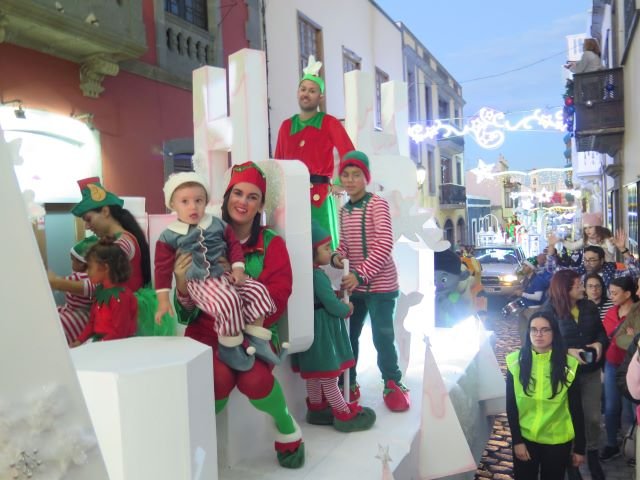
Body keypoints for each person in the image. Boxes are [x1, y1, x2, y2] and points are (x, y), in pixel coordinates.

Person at [173, 162, 304, 469]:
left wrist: (238, 308)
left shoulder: (272, 244)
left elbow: (279, 296)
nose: (243, 202)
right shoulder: (200, 237)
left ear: (260, 205)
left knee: (256, 380)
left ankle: (286, 428)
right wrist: (181, 283)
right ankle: (195, 447)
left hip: (253, 333)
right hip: (207, 333)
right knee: (216, 378)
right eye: (238, 193)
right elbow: (187, 310)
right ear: (227, 196)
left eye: (252, 196)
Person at [154, 172, 278, 371]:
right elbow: (161, 268)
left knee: (257, 291)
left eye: (198, 200)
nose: (193, 207)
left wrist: (238, 269)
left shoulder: (217, 224)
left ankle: (257, 339)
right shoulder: (169, 235)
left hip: (224, 276)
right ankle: (231, 347)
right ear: (173, 205)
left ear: (206, 202)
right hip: (199, 281)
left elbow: (233, 245)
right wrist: (162, 300)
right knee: (227, 301)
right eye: (184, 202)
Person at [330, 150, 410, 412]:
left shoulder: (377, 204)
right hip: (355, 288)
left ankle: (392, 382)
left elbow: (384, 242)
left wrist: (360, 274)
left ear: (366, 178)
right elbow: (344, 245)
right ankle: (349, 382)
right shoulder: (343, 211)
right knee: (349, 336)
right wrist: (336, 256)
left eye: (356, 175)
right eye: (346, 175)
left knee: (382, 337)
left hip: (381, 286)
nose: (350, 180)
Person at [49, 177, 174, 337]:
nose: (87, 226)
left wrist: (57, 283)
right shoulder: (116, 241)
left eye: (88, 219)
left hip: (122, 315)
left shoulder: (124, 243)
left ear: (106, 211)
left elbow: (98, 285)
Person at [293, 221, 376, 432]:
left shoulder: (305, 273)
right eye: (326, 248)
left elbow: (323, 297)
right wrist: (346, 308)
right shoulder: (317, 275)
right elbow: (330, 303)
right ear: (312, 250)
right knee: (328, 375)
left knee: (314, 372)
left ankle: (317, 408)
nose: (330, 252)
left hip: (310, 325)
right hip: (322, 329)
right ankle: (344, 415)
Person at [274, 55, 355, 249]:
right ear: (297, 92)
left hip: (318, 195)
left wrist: (339, 182)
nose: (306, 94)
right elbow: (278, 163)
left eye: (312, 91)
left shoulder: (329, 123)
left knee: (321, 248)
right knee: (291, 246)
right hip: (291, 197)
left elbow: (350, 154)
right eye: (303, 89)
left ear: (320, 96)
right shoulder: (286, 126)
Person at [541, 269, 608, 480]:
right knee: (569, 417)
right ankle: (572, 461)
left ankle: (593, 452)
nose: (583, 287)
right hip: (565, 374)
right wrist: (568, 351)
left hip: (590, 371)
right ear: (565, 288)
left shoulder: (589, 307)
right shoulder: (549, 311)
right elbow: (541, 344)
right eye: (578, 284)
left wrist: (598, 344)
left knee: (593, 417)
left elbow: (601, 332)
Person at [506, 312, 585, 479]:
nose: (538, 335)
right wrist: (517, 441)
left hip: (557, 441)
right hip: (526, 439)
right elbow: (511, 406)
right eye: (533, 330)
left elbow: (576, 408)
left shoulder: (569, 365)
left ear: (554, 332)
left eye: (545, 330)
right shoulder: (515, 362)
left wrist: (580, 447)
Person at [70, 237, 138, 346]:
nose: (87, 272)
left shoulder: (121, 296)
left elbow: (120, 332)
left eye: (90, 267)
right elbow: (92, 323)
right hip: (101, 343)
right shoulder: (101, 292)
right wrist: (79, 341)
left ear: (105, 268)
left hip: (118, 346)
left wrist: (98, 345)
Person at [601, 276, 639, 461]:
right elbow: (613, 337)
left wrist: (628, 338)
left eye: (615, 293)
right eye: (610, 292)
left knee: (631, 408)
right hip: (612, 362)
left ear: (628, 293)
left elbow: (631, 342)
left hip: (632, 366)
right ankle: (611, 444)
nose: (611, 296)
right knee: (611, 406)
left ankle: (632, 447)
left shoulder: (636, 312)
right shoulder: (611, 311)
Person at [546, 229, 640, 290]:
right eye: (586, 260)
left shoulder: (613, 274)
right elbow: (553, 269)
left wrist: (623, 249)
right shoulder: (579, 274)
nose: (588, 263)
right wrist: (551, 246)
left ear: (602, 261)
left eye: (592, 260)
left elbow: (635, 272)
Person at [52, 236, 98, 345]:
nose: (71, 264)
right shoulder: (93, 278)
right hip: (77, 314)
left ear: (82, 263)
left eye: (73, 260)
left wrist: (51, 279)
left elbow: (59, 283)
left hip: (79, 317)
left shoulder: (81, 278)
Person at [513, 255, 552, 344]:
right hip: (524, 308)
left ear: (531, 268)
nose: (523, 268)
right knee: (523, 332)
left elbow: (537, 297)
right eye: (523, 265)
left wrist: (522, 293)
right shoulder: (526, 279)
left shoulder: (537, 280)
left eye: (526, 266)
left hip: (534, 309)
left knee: (533, 332)